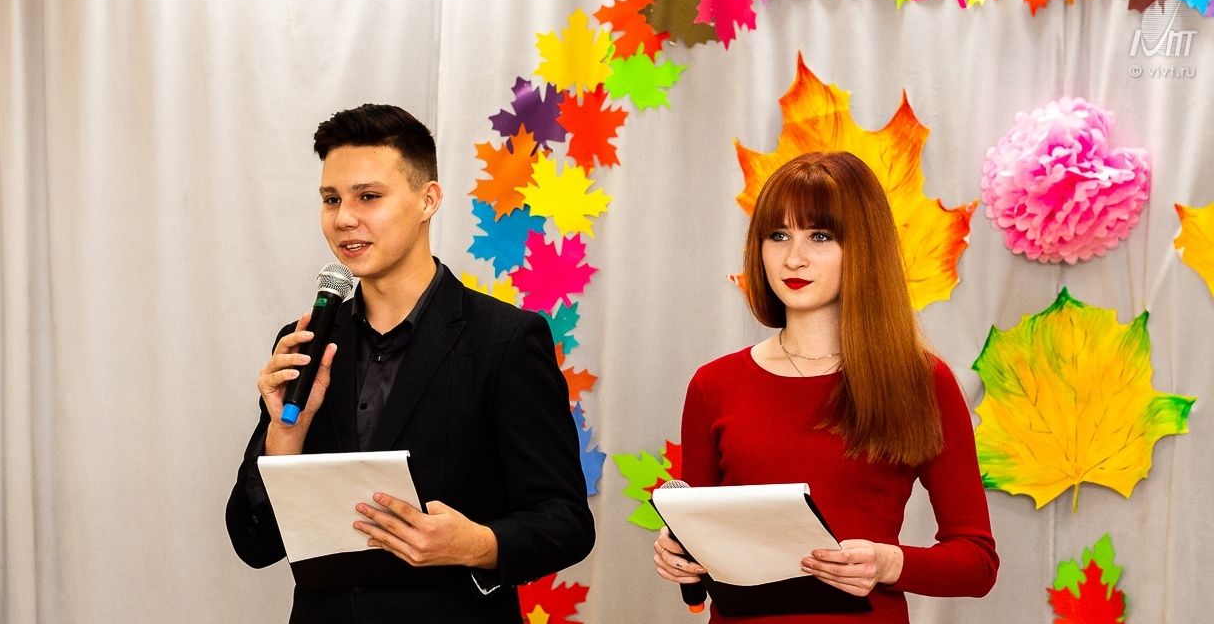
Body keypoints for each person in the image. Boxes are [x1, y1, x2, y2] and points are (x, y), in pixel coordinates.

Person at [226, 104, 594, 623]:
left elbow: (566, 522)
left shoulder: (506, 339)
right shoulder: (306, 340)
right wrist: (286, 434)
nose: (344, 218)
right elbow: (254, 543)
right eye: (331, 199)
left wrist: (476, 544)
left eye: (368, 197)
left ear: (428, 199)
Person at [652, 152, 998, 622]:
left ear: (863, 248)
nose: (794, 258)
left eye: (820, 236)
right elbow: (704, 534)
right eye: (778, 235)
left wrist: (888, 563)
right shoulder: (714, 384)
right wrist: (679, 551)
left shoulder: (922, 382)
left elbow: (977, 562)